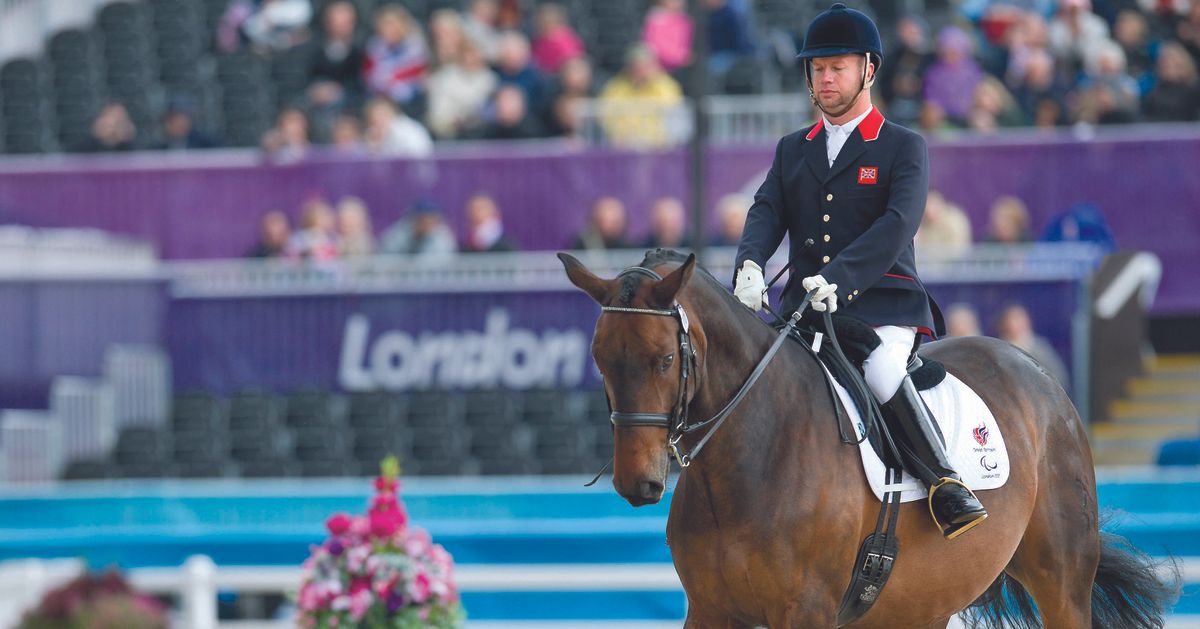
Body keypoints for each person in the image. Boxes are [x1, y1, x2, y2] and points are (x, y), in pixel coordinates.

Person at [732, 4, 986, 539]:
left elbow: (897, 224)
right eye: (818, 69)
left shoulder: (902, 147)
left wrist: (841, 278)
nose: (825, 78)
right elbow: (766, 211)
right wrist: (750, 263)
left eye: (838, 67)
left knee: (882, 372)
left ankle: (945, 483)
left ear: (868, 70)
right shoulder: (791, 150)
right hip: (804, 312)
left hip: (881, 307)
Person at [996, 303, 1069, 389]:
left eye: (1020, 318)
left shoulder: (1040, 348)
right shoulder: (996, 348)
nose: (1018, 323)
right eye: (1014, 319)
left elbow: (1059, 376)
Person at [379, 198, 458, 259]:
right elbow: (385, 252)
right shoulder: (402, 231)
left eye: (431, 219)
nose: (426, 224)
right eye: (422, 219)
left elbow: (440, 262)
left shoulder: (443, 237)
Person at [362, 98, 433, 157]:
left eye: (379, 116)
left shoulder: (409, 130)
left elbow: (415, 156)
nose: (377, 123)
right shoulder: (376, 133)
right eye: (373, 121)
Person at [74, 101, 138, 153]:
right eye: (112, 116)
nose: (115, 123)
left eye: (120, 118)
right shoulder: (86, 146)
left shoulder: (128, 146)